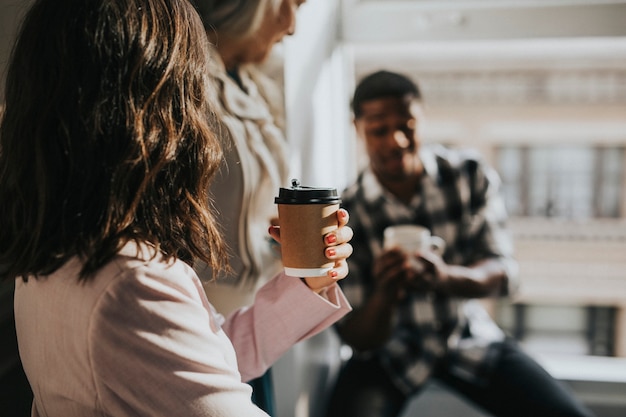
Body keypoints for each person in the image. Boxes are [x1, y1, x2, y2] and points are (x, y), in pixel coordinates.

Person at [0, 1, 353, 416]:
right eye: (189, 91)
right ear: (154, 112)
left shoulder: (53, 253)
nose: (200, 123)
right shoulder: (130, 282)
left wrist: (305, 287)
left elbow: (197, 362)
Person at [324, 70, 595, 417]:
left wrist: (445, 279)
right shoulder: (348, 213)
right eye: (379, 130)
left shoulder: (467, 176)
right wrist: (386, 293)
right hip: (389, 354)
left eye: (407, 125)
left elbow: (503, 273)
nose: (397, 141)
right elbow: (358, 338)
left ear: (422, 118)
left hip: (467, 337)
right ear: (357, 128)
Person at [191, 1, 306, 413]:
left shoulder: (253, 84)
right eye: (291, 5)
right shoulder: (181, 77)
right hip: (205, 316)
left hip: (259, 315)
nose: (292, 28)